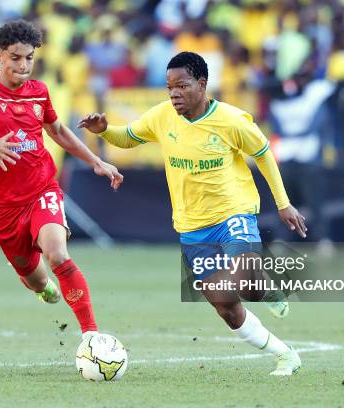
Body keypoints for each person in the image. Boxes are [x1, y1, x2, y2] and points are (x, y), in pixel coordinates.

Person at [78, 51, 307, 376]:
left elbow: (264, 154)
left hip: (234, 213)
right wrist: (103, 129)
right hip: (192, 226)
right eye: (170, 87)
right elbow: (128, 138)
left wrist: (283, 204)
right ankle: (285, 353)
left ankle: (260, 283)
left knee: (241, 278)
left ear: (202, 84)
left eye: (181, 86)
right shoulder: (162, 116)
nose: (174, 93)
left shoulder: (231, 120)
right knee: (226, 306)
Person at [0, 20, 123, 340]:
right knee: (36, 280)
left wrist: (96, 161)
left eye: (29, 58)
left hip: (41, 189)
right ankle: (42, 286)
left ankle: (92, 336)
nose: (23, 65)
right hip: (3, 206)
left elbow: (58, 131)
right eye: (16, 57)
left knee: (58, 254)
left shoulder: (39, 92)